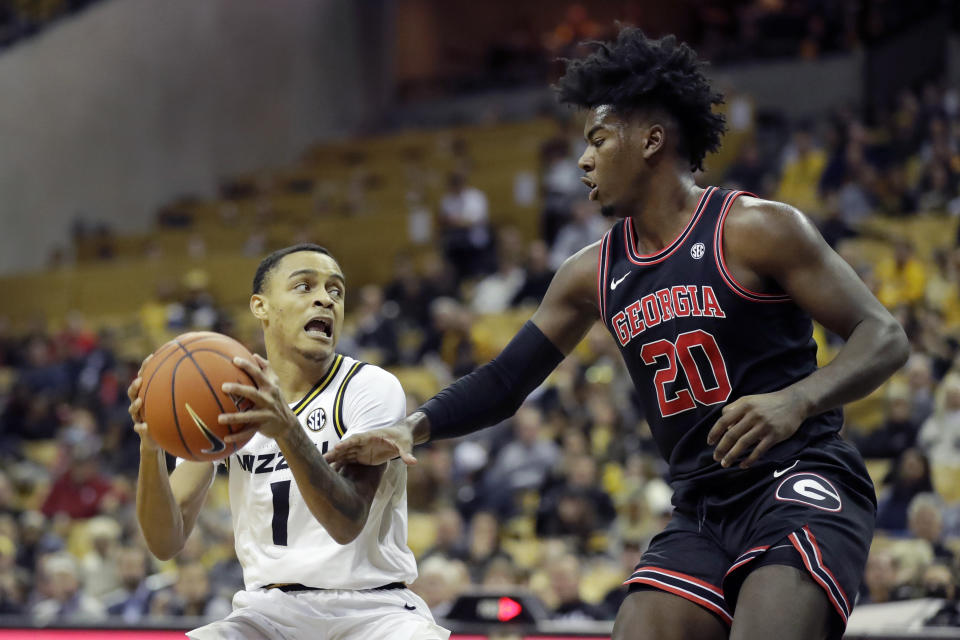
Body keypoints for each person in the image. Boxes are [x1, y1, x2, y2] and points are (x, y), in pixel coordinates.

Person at [328, 29, 909, 640]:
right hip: (701, 505)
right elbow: (505, 381)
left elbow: (884, 334)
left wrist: (798, 400)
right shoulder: (590, 272)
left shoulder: (754, 228)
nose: (583, 160)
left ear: (652, 140)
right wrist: (409, 427)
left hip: (796, 476)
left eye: (598, 140)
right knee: (637, 626)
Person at [128, 244, 449, 639]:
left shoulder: (370, 387)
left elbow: (346, 522)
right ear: (260, 306)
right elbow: (165, 541)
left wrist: (286, 430)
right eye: (304, 286)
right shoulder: (228, 395)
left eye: (336, 291)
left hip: (373, 611)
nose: (324, 299)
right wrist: (151, 445)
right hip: (268, 615)